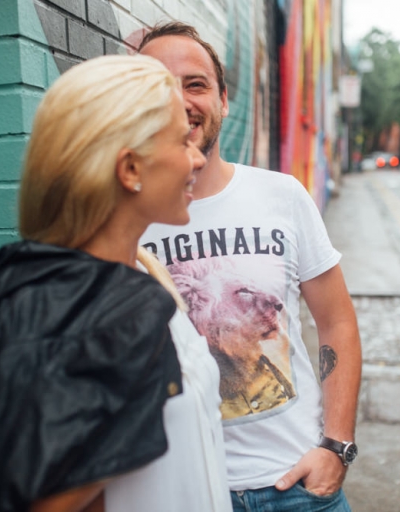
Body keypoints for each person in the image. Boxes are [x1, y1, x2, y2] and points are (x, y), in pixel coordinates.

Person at [0, 54, 232, 512]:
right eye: (181, 140)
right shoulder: (87, 309)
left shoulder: (136, 281)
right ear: (130, 169)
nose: (196, 156)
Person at [137, 23, 362, 511]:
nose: (180, 101)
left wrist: (337, 446)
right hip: (186, 493)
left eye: (195, 84)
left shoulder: (282, 195)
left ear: (223, 100)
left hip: (298, 487)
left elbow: (337, 321)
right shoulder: (125, 218)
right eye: (160, 86)